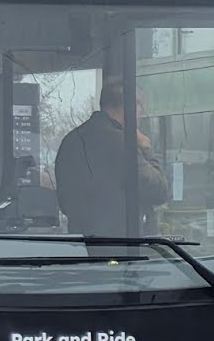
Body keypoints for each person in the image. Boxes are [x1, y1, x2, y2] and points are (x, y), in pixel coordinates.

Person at [54, 81, 169, 237]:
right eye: (140, 104)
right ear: (129, 105)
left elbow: (65, 203)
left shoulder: (71, 141)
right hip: (124, 247)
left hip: (83, 245)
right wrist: (146, 147)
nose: (142, 112)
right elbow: (158, 190)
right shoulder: (121, 143)